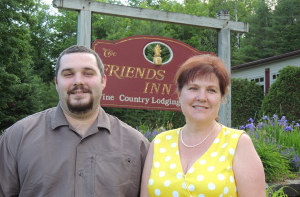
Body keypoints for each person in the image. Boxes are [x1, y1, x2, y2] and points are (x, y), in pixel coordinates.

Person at [0, 45, 149, 197]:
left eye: (88, 73)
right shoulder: (16, 137)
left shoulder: (137, 145)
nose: (78, 81)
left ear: (103, 81)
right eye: (68, 74)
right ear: (57, 83)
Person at [140, 54, 265, 197]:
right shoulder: (159, 143)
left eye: (211, 90)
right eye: (193, 88)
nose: (201, 97)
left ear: (222, 97)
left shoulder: (238, 144)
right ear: (179, 93)